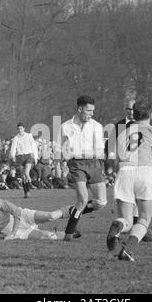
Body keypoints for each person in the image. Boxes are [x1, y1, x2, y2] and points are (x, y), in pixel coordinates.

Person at [106, 99, 152, 261]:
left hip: (125, 172)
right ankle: (128, 250)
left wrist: (111, 170)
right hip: (146, 172)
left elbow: (115, 155)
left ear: (133, 114)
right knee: (143, 219)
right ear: (150, 114)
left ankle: (119, 225)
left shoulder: (122, 132)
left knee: (127, 220)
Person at [60, 95, 107, 241]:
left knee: (101, 203)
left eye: (93, 110)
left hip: (94, 164)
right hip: (76, 165)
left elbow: (99, 150)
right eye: (89, 110)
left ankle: (72, 212)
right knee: (83, 199)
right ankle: (69, 232)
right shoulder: (65, 126)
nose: (92, 114)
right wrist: (61, 163)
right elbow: (60, 147)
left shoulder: (97, 126)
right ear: (80, 109)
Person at [0, 193, 83, 240]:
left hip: (23, 217)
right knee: (49, 237)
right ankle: (71, 233)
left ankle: (79, 208)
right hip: (20, 232)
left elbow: (17, 212)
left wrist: (12, 233)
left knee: (51, 216)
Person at [10, 123, 38, 198]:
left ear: (24, 128)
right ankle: (26, 192)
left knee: (26, 172)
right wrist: (13, 156)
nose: (20, 130)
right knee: (23, 176)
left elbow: (33, 146)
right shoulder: (16, 138)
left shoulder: (29, 136)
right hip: (20, 157)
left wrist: (35, 157)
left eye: (21, 128)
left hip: (28, 156)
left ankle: (31, 183)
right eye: (18, 129)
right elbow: (13, 148)